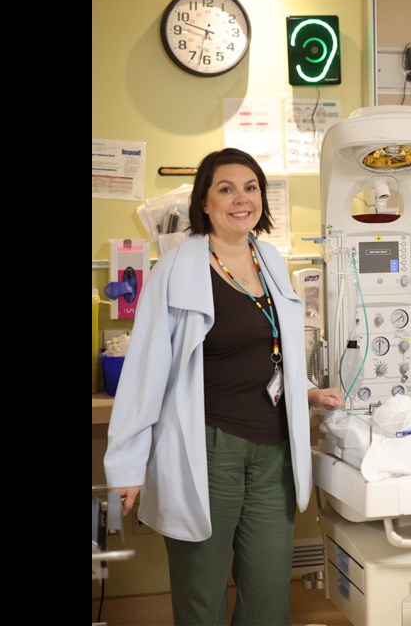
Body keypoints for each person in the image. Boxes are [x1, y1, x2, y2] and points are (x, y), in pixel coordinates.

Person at [105, 148, 344, 626]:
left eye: (251, 187)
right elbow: (145, 372)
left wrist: (308, 392)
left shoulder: (270, 258)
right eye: (226, 189)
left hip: (274, 451)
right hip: (208, 450)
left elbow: (273, 351)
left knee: (269, 596)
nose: (241, 199)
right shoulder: (177, 269)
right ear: (205, 202)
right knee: (202, 595)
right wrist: (126, 467)